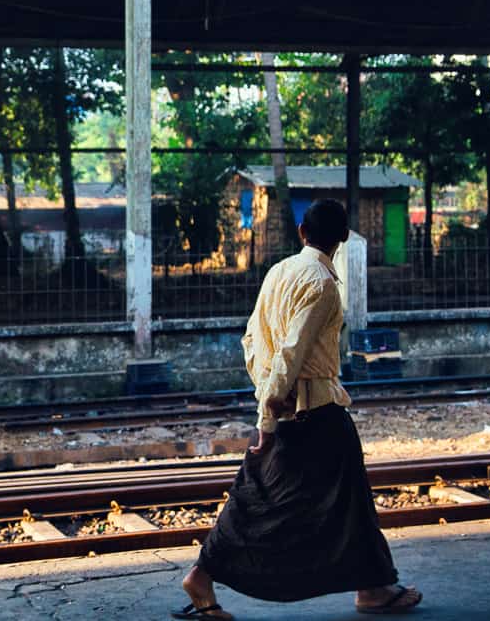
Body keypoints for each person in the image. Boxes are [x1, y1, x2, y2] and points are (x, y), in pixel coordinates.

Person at [173, 199, 422, 619]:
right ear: (343, 238)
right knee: (318, 500)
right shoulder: (323, 284)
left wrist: (266, 401)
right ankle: (203, 576)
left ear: (303, 233)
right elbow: (291, 353)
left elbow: (252, 340)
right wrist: (268, 418)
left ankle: (373, 585)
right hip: (314, 415)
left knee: (263, 497)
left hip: (283, 407)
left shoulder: (279, 271)